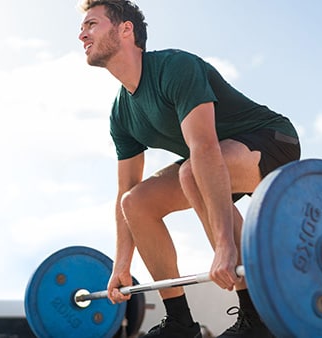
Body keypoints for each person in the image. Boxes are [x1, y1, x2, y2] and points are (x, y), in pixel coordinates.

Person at [77, 1, 300, 337]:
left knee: (192, 171)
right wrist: (121, 264)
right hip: (210, 162)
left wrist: (224, 246)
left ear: (126, 30)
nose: (82, 34)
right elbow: (126, 188)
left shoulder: (175, 67)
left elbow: (205, 148)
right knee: (134, 203)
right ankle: (180, 322)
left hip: (273, 142)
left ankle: (257, 318)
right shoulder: (121, 113)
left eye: (91, 24)